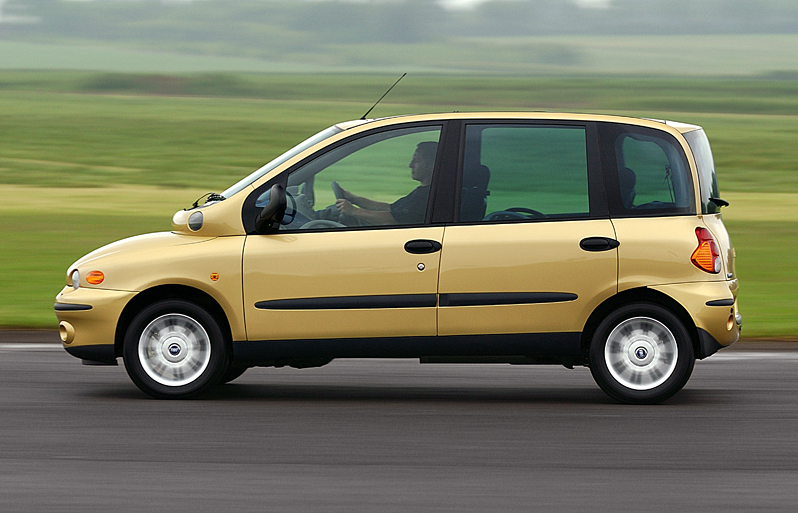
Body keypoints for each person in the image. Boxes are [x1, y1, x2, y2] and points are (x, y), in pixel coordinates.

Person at [334, 141, 437, 225]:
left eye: (416, 161)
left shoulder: (424, 197)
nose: (410, 165)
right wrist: (354, 199)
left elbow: (391, 219)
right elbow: (389, 208)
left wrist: (353, 211)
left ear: (431, 166)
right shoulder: (424, 191)